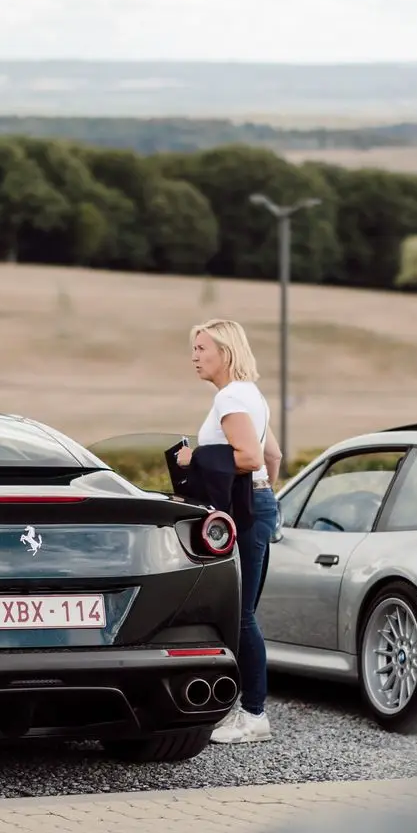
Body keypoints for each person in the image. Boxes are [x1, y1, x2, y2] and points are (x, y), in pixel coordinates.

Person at [179, 319, 283, 745]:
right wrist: (263, 495)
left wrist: (195, 459)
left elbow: (251, 456)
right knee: (242, 612)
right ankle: (244, 709)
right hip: (256, 504)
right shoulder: (250, 394)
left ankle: (254, 715)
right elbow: (274, 456)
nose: (194, 356)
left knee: (240, 615)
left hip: (248, 509)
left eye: (202, 348)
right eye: (194, 348)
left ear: (225, 352)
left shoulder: (230, 397)